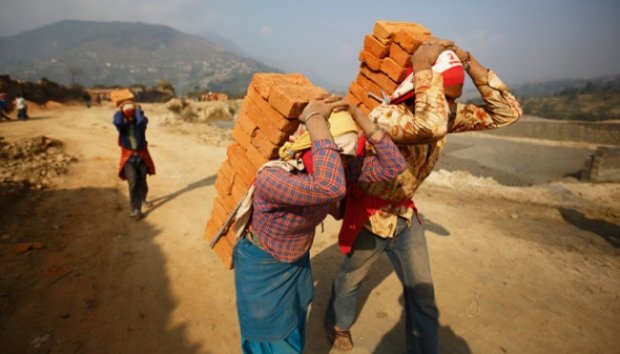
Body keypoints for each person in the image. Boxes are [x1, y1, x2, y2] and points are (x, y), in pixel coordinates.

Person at [325, 39, 523, 353]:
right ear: (417, 86)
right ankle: (338, 326)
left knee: (423, 297)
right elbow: (428, 126)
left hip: (405, 217)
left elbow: (507, 113)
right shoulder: (386, 116)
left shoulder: (443, 115)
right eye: (442, 97)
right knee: (351, 280)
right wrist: (422, 66)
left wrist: (468, 61)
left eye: (449, 100)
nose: (446, 107)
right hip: (372, 217)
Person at [232, 94, 407, 354]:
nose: (342, 164)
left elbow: (394, 166)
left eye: (346, 157)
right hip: (262, 264)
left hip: (295, 259)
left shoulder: (340, 171)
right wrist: (314, 117)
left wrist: (358, 115)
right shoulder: (274, 178)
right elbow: (330, 187)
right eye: (336, 155)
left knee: (293, 325)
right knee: (270, 338)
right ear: (314, 146)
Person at [113, 93, 155, 219]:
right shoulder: (123, 126)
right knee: (133, 181)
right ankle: (136, 209)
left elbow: (141, 120)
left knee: (142, 180)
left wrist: (137, 109)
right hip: (128, 157)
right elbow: (117, 121)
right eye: (127, 110)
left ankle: (142, 199)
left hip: (141, 156)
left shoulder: (141, 124)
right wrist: (121, 108)